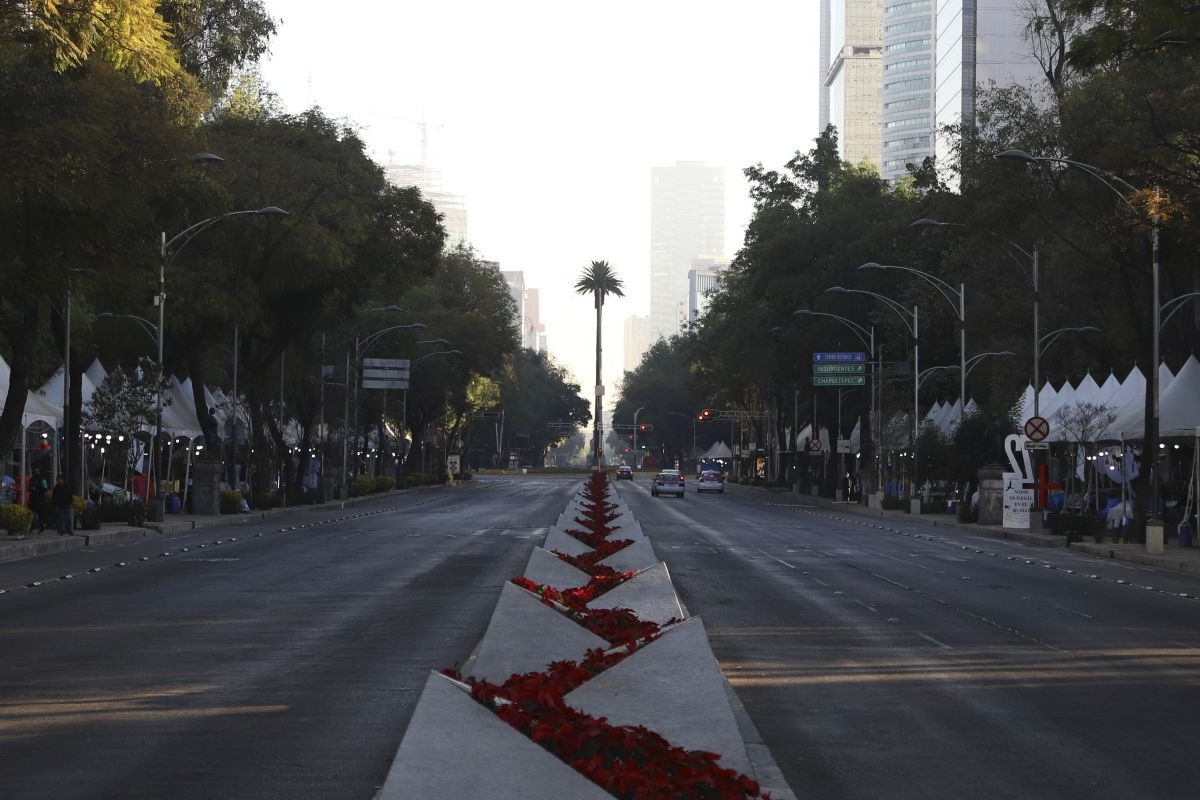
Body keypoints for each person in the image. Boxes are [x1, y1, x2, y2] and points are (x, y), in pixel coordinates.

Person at [28, 467, 48, 533]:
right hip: (33, 499)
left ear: (39, 472)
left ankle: (40, 529)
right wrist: (32, 489)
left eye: (37, 471)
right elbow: (28, 488)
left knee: (39, 515)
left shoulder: (42, 480)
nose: (36, 472)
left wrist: (37, 488)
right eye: (35, 471)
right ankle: (31, 527)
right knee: (33, 514)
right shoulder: (31, 479)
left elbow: (45, 489)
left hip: (39, 499)